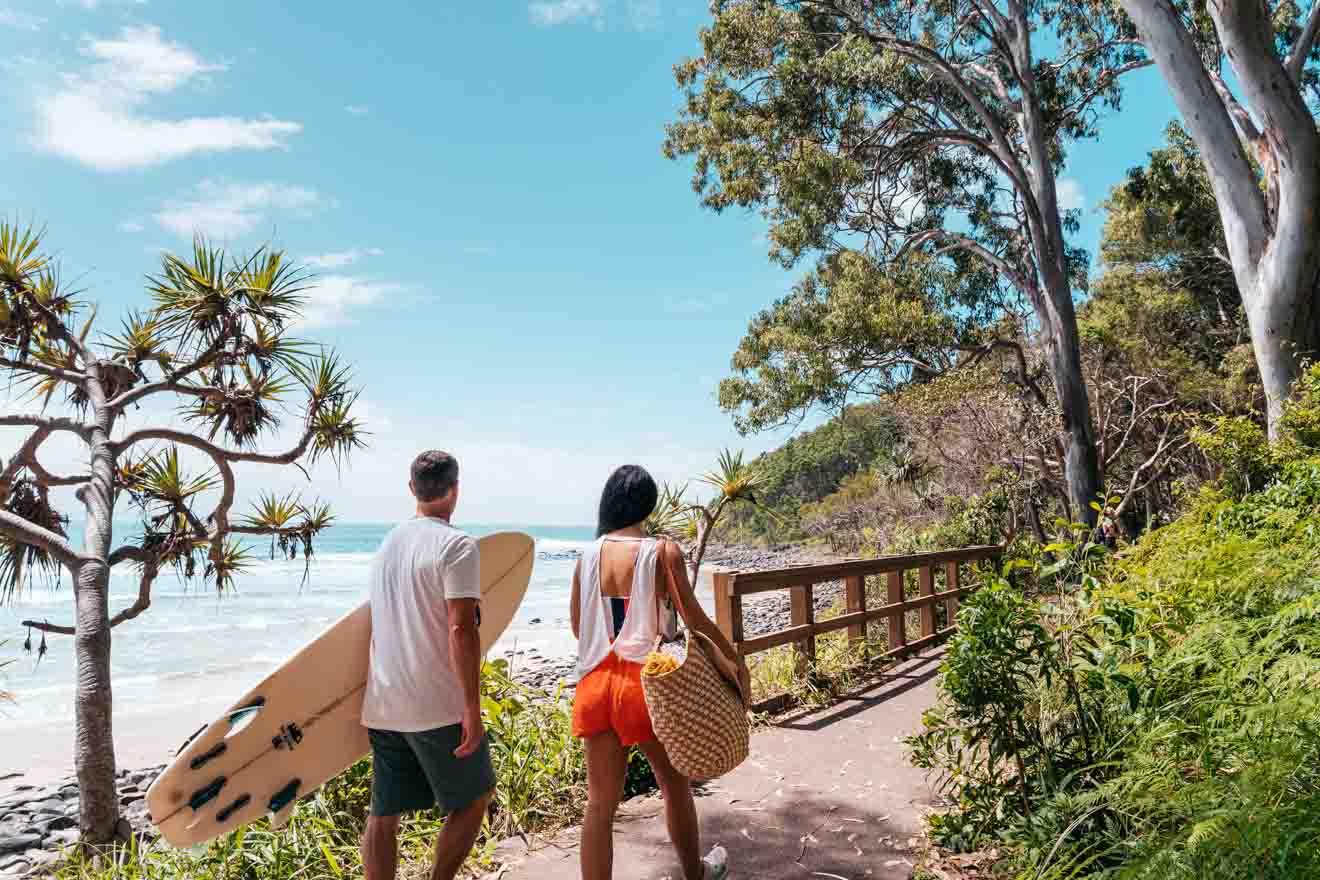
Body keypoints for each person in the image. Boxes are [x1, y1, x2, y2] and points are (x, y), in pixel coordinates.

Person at [570, 464, 751, 880]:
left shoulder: (586, 555)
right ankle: (696, 873)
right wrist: (733, 661)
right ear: (648, 504)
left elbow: (580, 627)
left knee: (599, 805)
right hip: (648, 685)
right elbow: (696, 620)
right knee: (673, 786)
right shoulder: (661, 551)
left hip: (595, 686)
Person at [359, 450, 494, 880]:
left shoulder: (387, 545)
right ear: (455, 491)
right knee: (473, 798)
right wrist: (471, 707)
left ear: (412, 489)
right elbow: (461, 628)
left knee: (384, 813)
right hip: (434, 704)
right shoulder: (457, 545)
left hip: (383, 702)